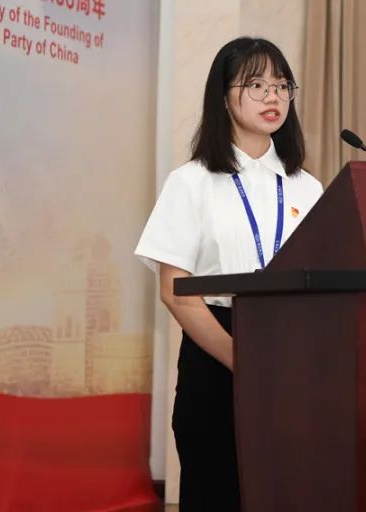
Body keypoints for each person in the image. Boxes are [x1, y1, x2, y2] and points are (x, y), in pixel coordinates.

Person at [134, 37, 324, 512]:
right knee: (217, 494)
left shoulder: (308, 187)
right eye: (255, 85)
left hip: (293, 358)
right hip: (216, 352)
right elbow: (175, 291)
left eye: (281, 85)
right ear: (223, 98)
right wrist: (242, 359)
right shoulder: (192, 182)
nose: (272, 97)